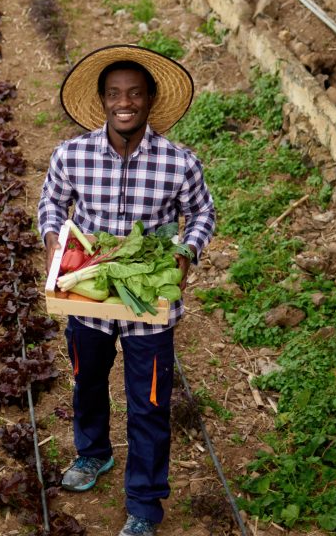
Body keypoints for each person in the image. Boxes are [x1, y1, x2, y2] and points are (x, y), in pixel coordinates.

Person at [38, 45, 216, 536]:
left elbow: (202, 213)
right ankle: (93, 454)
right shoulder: (71, 154)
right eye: (115, 93)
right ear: (102, 101)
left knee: (150, 403)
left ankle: (144, 504)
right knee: (88, 383)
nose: (125, 102)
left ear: (149, 100)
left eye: (135, 93)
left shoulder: (179, 163)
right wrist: (55, 239)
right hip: (90, 297)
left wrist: (186, 250)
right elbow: (51, 202)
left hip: (149, 304)